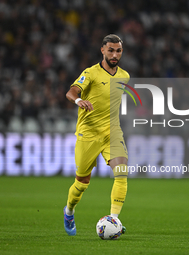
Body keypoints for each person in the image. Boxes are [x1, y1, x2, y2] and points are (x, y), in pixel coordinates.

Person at [63, 34, 130, 236]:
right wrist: (78, 101)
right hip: (89, 134)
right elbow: (71, 91)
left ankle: (114, 219)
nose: (114, 54)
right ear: (102, 50)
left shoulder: (124, 76)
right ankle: (69, 211)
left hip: (112, 132)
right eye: (110, 50)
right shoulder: (91, 73)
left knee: (121, 174)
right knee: (82, 182)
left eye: (118, 50)